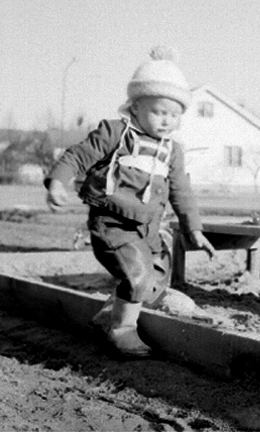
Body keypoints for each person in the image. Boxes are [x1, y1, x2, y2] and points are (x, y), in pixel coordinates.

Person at [45, 46, 216, 358]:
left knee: (157, 276)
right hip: (113, 223)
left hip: (148, 228)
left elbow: (181, 191)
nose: (166, 121)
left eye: (174, 115)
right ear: (135, 107)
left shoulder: (172, 150)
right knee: (137, 274)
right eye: (159, 112)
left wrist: (194, 229)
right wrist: (59, 180)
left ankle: (108, 316)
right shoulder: (117, 133)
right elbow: (78, 155)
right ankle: (122, 330)